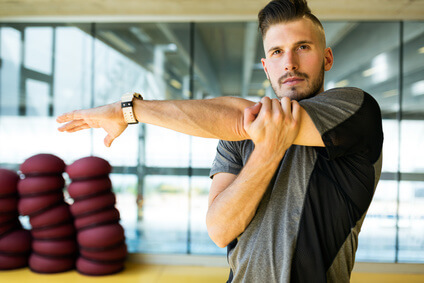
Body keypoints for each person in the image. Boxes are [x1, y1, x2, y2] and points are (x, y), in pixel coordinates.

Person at [57, 0, 384, 282]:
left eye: (303, 47)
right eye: (277, 52)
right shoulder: (235, 140)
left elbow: (248, 117)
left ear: (327, 58)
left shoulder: (355, 110)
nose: (290, 63)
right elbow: (219, 229)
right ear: (266, 68)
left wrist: (128, 110)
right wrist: (266, 154)